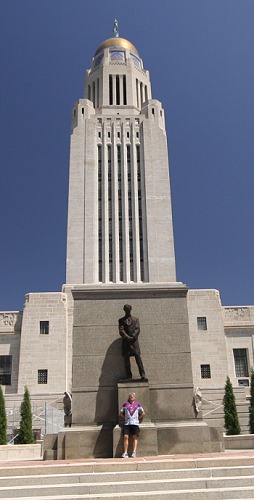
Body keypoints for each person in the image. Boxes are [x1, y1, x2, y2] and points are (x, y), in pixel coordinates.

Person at [118, 304, 146, 380]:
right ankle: (129, 375)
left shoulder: (136, 319)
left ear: (130, 309)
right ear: (124, 310)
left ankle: (142, 374)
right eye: (126, 309)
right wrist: (127, 337)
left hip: (134, 342)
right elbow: (121, 330)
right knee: (126, 360)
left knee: (138, 357)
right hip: (126, 343)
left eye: (128, 309)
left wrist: (133, 337)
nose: (127, 310)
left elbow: (137, 329)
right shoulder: (121, 320)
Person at [119, 392, 145, 458]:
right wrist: (125, 417)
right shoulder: (125, 404)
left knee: (134, 437)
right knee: (125, 436)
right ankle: (125, 452)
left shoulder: (137, 405)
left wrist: (138, 418)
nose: (132, 397)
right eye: (131, 396)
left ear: (135, 397)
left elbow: (143, 413)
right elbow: (121, 413)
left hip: (135, 423)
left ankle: (134, 452)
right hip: (127, 423)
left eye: (133, 396)